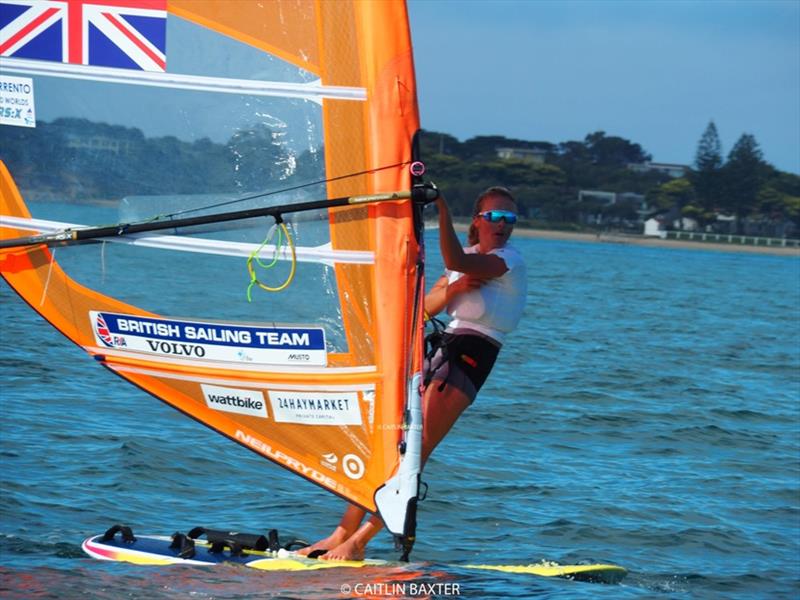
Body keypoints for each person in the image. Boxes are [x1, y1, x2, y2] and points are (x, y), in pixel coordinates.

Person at [297, 186, 527, 561]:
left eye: (510, 219)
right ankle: (341, 531)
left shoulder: (508, 260)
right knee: (387, 444)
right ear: (480, 221)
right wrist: (456, 287)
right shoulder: (466, 260)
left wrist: (441, 206)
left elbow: (454, 256)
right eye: (495, 217)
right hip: (440, 348)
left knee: (414, 452)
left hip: (473, 355)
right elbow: (425, 308)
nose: (503, 225)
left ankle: (359, 543)